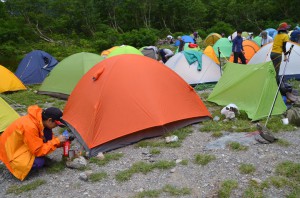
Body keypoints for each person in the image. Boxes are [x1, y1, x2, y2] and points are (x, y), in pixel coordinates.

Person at [0, 105, 67, 181]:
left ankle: (34, 159)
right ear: (49, 120)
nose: (56, 127)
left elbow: (47, 138)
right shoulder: (30, 127)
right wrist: (57, 141)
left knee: (47, 131)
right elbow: (37, 151)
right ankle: (17, 167)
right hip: (10, 152)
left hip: (18, 145)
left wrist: (59, 143)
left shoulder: (39, 120)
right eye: (56, 124)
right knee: (39, 162)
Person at [270, 22, 296, 102]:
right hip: (278, 55)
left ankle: (273, 85)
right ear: (285, 29)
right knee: (276, 72)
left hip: (272, 54)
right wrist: (285, 56)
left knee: (274, 70)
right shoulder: (285, 36)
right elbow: (284, 47)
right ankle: (277, 90)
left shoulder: (277, 36)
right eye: (287, 28)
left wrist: (284, 54)